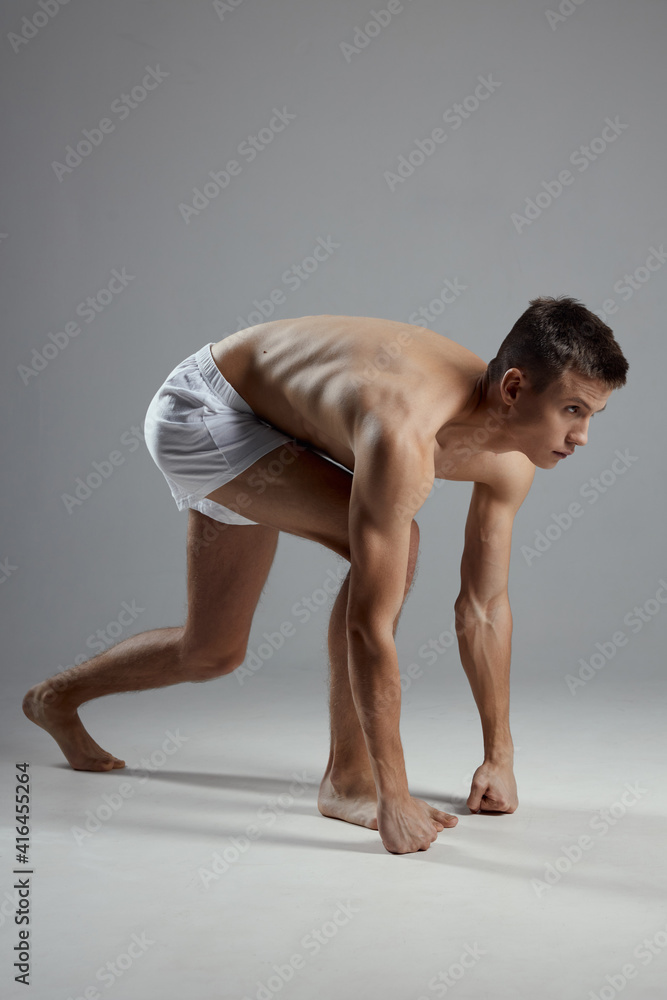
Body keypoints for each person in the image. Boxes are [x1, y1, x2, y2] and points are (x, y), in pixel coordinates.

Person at [23, 296, 629, 855]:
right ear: (515, 388)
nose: (580, 436)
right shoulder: (403, 430)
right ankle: (351, 780)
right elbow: (370, 625)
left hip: (270, 423)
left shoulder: (511, 464)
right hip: (206, 408)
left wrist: (500, 756)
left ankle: (54, 699)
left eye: (592, 415)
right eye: (571, 410)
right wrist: (394, 795)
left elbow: (484, 608)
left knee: (210, 652)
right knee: (400, 543)